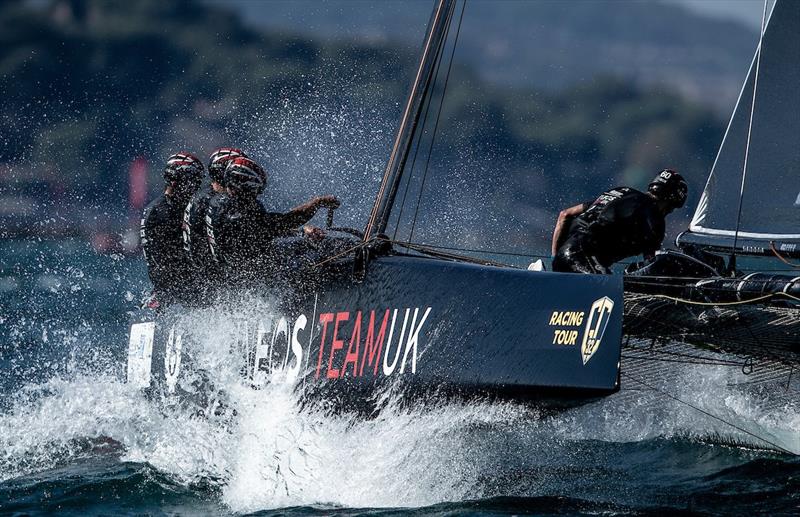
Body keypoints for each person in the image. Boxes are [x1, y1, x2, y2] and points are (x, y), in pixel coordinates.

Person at [205, 156, 340, 287]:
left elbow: (269, 228)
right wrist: (317, 203)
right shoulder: (239, 217)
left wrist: (302, 231)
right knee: (313, 245)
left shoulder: (219, 202)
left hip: (238, 270)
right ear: (244, 189)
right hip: (254, 275)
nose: (257, 195)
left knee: (304, 241)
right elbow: (286, 222)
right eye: (255, 190)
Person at [551, 169, 688, 274]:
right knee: (608, 292)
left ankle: (543, 274)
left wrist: (555, 258)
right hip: (584, 260)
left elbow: (565, 215)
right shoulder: (654, 216)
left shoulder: (621, 191)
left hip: (564, 255)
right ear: (670, 202)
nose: (668, 212)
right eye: (671, 209)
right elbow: (651, 264)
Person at [140, 152, 204, 307]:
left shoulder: (170, 207)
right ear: (176, 181)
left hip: (174, 287)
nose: (195, 187)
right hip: (177, 290)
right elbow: (166, 260)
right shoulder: (161, 211)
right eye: (192, 181)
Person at [182, 147, 246, 273]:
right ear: (224, 172)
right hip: (216, 275)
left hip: (206, 271)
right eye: (236, 169)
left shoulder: (203, 195)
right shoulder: (214, 200)